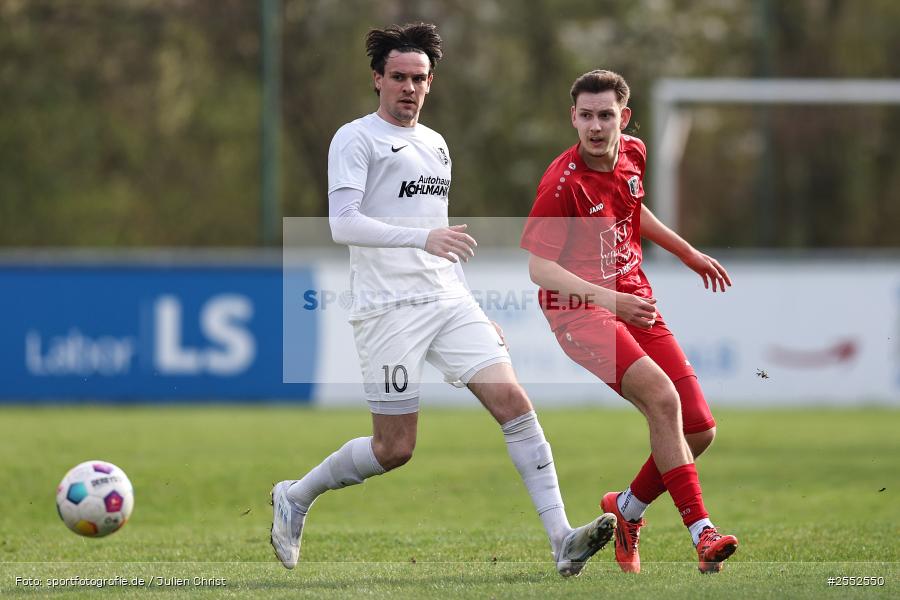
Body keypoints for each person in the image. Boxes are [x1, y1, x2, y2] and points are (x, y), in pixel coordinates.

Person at [271, 23, 616, 577]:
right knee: (395, 448)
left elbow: (439, 237)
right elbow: (343, 224)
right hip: (387, 310)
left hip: (446, 300)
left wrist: (472, 308)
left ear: (431, 83)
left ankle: (562, 540)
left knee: (516, 405)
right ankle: (295, 496)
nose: (409, 88)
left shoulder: (435, 144)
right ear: (377, 80)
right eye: (399, 77)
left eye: (420, 78)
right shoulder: (354, 138)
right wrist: (421, 239)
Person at [520, 69, 738, 574]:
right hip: (579, 311)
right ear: (572, 117)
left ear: (625, 117)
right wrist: (610, 301)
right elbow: (539, 269)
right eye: (586, 115)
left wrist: (686, 252)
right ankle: (702, 533)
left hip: (633, 299)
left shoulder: (634, 153)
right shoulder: (562, 183)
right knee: (664, 399)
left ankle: (627, 509)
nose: (595, 126)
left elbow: (633, 209)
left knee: (700, 428)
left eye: (606, 115)